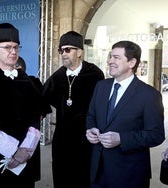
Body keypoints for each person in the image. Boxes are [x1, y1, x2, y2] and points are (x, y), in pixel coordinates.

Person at [86, 40, 165, 188]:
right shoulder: (101, 86)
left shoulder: (149, 95)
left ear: (132, 62)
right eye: (110, 56)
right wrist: (90, 129)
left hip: (129, 175)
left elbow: (156, 134)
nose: (110, 61)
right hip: (97, 171)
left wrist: (122, 139)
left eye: (116, 57)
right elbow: (91, 116)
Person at [0, 23, 42, 188]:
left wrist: (26, 150)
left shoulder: (26, 81)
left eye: (16, 47)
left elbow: (35, 117)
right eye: (8, 47)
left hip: (25, 157)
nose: (13, 52)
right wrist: (13, 151)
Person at [41, 31, 105, 188]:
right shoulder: (57, 77)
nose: (64, 53)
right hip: (62, 137)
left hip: (87, 137)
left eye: (68, 49)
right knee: (62, 177)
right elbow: (40, 102)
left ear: (80, 52)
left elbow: (102, 106)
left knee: (84, 177)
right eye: (61, 50)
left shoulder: (94, 74)